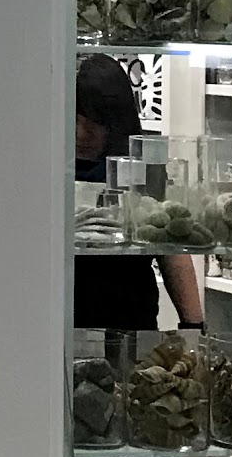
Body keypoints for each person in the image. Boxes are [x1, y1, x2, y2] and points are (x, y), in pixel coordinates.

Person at [74, 53, 203, 334]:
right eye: (75, 120)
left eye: (95, 122)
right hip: (56, 323)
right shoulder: (44, 170)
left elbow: (170, 250)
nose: (81, 134)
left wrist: (193, 327)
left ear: (115, 120)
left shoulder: (142, 167)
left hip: (130, 322)